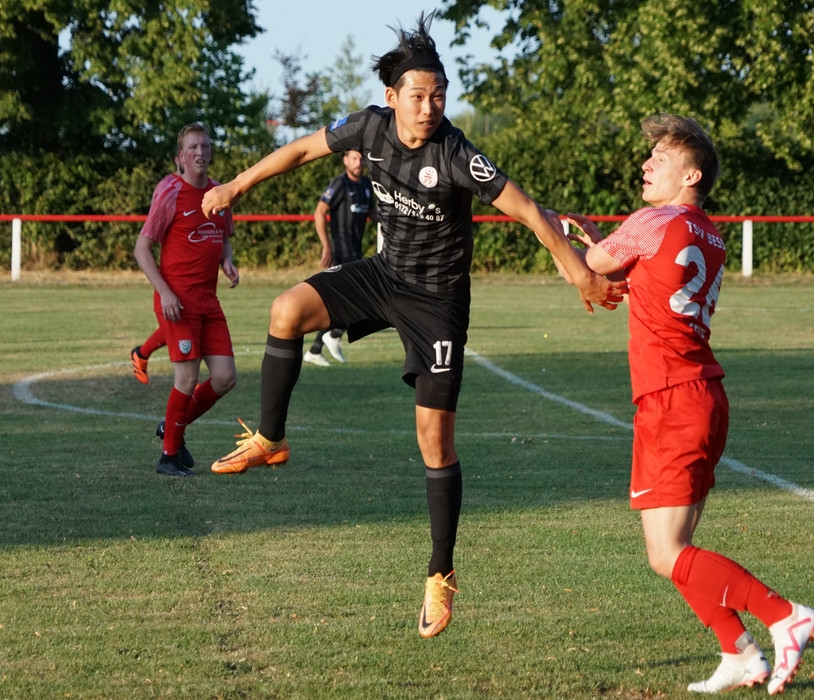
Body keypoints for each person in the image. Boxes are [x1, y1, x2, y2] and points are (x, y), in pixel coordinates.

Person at [200, 12, 625, 639]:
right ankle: (271, 437)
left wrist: (580, 273)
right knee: (286, 309)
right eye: (419, 97)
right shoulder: (368, 126)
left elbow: (528, 211)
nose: (430, 108)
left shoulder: (456, 152)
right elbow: (301, 149)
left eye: (439, 96)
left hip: (437, 304)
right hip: (384, 275)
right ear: (393, 97)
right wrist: (237, 184)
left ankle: (440, 574)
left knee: (434, 441)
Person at [560, 113, 814, 695]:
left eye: (660, 158)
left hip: (671, 399)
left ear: (691, 174)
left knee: (667, 553)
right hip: (703, 394)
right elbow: (647, 277)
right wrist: (596, 242)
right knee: (675, 547)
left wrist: (551, 233)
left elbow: (588, 273)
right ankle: (739, 654)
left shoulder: (653, 220)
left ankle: (783, 616)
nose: (646, 164)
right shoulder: (709, 233)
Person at [134, 122, 240, 477]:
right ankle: (168, 456)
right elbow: (142, 249)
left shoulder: (219, 194)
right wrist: (164, 292)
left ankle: (172, 426)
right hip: (177, 302)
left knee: (225, 377)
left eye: (205, 146)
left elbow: (224, 237)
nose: (200, 152)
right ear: (181, 156)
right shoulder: (170, 194)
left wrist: (227, 261)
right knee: (187, 378)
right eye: (193, 147)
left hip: (209, 302)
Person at [303, 149, 375, 367]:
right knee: (356, 296)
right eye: (354, 158)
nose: (358, 162)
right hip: (341, 251)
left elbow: (374, 214)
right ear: (345, 160)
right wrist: (326, 245)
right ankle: (333, 335)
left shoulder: (366, 185)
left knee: (343, 300)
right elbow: (319, 211)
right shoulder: (339, 183)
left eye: (361, 158)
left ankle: (316, 349)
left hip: (356, 250)